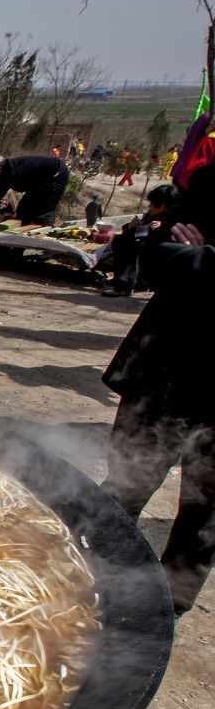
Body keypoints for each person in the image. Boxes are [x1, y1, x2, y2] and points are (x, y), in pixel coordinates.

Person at [101, 215, 215, 616]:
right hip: (165, 371)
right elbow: (150, 260)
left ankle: (162, 611)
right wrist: (194, 258)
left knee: (205, 518)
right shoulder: (206, 186)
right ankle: (83, 575)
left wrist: (201, 259)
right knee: (124, 488)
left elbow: (191, 262)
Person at [101, 183, 180, 297]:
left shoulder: (176, 217)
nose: (149, 206)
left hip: (164, 249)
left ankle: (125, 285)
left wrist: (162, 228)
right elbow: (141, 227)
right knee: (121, 240)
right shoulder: (153, 214)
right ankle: (122, 280)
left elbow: (174, 234)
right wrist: (131, 226)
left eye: (152, 203)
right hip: (147, 240)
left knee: (138, 245)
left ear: (162, 205)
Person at [0, 154, 70, 227]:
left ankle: (49, 245)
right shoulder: (3, 172)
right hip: (40, 181)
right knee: (23, 209)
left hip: (56, 174)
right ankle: (19, 243)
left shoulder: (9, 172)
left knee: (42, 211)